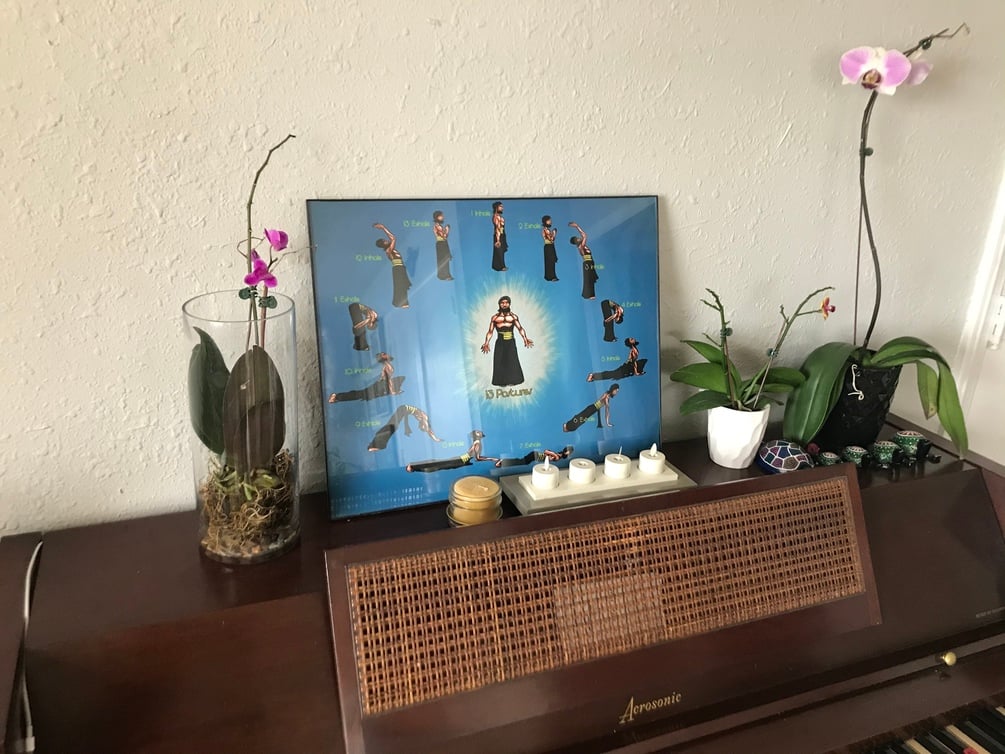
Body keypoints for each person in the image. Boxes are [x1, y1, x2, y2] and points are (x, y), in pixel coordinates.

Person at [481, 295, 534, 386]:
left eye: (506, 303)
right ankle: (501, 382)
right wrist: (486, 343)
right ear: (499, 304)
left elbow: (520, 328)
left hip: (510, 342)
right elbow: (490, 331)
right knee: (499, 361)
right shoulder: (495, 318)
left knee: (512, 360)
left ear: (509, 304)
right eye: (502, 303)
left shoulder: (513, 317)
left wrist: (525, 339)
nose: (504, 304)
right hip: (500, 342)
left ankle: (514, 380)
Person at [407, 429, 498, 472]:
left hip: (461, 460)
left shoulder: (477, 443)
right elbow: (474, 456)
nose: (477, 432)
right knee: (437, 464)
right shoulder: (476, 443)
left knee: (437, 465)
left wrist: (493, 459)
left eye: (478, 432)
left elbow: (477, 458)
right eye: (476, 432)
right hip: (461, 459)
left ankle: (414, 467)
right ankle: (414, 467)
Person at [328, 352, 404, 402]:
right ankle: (337, 397)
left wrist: (392, 391)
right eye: (383, 354)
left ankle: (337, 397)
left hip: (378, 387)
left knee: (359, 394)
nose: (386, 354)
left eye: (384, 354)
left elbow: (387, 379)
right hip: (378, 386)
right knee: (358, 394)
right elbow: (387, 380)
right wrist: (392, 392)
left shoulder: (386, 366)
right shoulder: (386, 367)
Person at [367, 404, 441, 451]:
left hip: (403, 410)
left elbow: (430, 431)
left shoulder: (424, 419)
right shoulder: (425, 420)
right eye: (421, 427)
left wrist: (435, 438)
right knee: (392, 426)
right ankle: (377, 444)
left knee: (392, 426)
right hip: (403, 409)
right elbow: (429, 431)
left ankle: (377, 443)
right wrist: (436, 439)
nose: (419, 426)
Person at [374, 223, 410, 308]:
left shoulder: (392, 249)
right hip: (397, 268)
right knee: (400, 285)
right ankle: (402, 303)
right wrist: (383, 228)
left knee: (403, 284)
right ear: (383, 244)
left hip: (401, 267)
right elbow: (393, 238)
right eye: (385, 241)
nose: (387, 240)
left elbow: (392, 239)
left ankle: (403, 302)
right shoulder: (388, 250)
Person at [568, 221, 599, 299]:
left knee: (591, 278)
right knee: (589, 279)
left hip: (590, 262)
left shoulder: (582, 245)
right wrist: (577, 226)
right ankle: (590, 295)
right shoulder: (581, 246)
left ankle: (591, 294)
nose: (579, 238)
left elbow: (584, 236)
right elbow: (584, 235)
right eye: (577, 238)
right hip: (587, 263)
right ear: (576, 241)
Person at [495, 445, 573, 468]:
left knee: (521, 461)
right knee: (522, 461)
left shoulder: (558, 457)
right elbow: (546, 451)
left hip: (536, 456)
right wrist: (553, 454)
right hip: (536, 455)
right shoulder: (557, 456)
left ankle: (503, 462)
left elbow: (547, 453)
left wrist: (552, 455)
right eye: (567, 452)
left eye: (568, 453)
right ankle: (503, 462)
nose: (567, 453)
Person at [432, 210, 453, 280]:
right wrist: (447, 229)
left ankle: (446, 275)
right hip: (441, 244)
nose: (443, 217)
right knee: (443, 260)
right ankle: (443, 275)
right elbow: (444, 236)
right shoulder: (437, 226)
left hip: (443, 244)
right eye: (441, 216)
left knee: (445, 259)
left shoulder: (439, 226)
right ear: (437, 217)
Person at [491, 201, 508, 271]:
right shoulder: (496, 217)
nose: (502, 208)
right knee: (499, 251)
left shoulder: (500, 217)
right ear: (496, 207)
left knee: (501, 251)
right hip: (498, 235)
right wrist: (498, 240)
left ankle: (500, 266)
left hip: (502, 234)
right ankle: (500, 266)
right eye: (500, 207)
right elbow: (497, 228)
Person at [541, 215, 558, 281]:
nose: (550, 221)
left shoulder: (547, 230)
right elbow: (551, 239)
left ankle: (552, 276)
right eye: (549, 220)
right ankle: (551, 276)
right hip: (548, 246)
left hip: (550, 246)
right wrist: (554, 233)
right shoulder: (546, 230)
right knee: (550, 261)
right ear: (546, 221)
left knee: (551, 261)